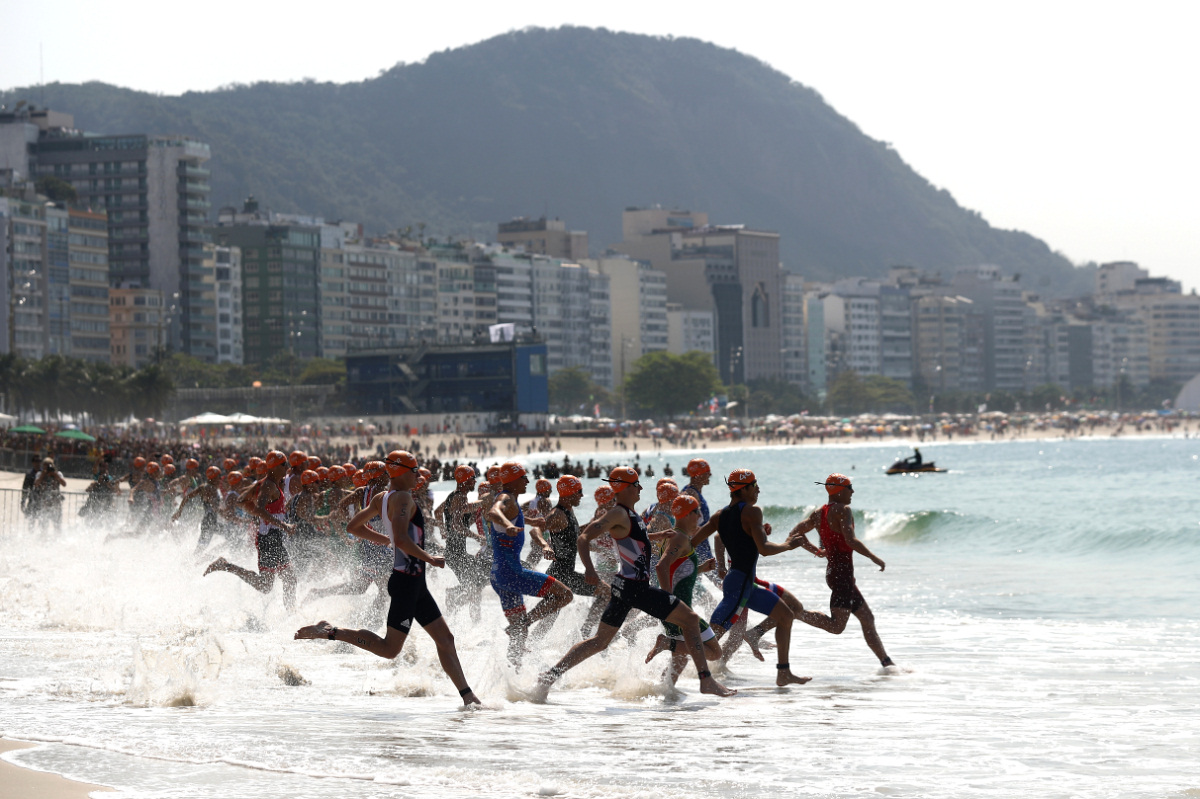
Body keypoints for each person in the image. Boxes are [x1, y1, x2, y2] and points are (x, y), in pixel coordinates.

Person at [294, 450, 481, 707]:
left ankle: (468, 698)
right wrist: (431, 559)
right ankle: (328, 631)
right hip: (407, 582)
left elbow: (354, 527)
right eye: (414, 470)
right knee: (389, 649)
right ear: (401, 471)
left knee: (445, 639)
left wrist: (389, 541)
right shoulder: (402, 498)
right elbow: (402, 539)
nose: (417, 474)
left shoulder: (383, 498)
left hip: (413, 583)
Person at [533, 467, 734, 701]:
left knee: (600, 641)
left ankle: (549, 676)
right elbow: (584, 537)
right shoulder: (618, 512)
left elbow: (631, 539)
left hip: (625, 586)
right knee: (689, 619)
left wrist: (656, 537)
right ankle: (705, 680)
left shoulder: (629, 513)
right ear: (626, 488)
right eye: (636, 485)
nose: (640, 488)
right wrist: (589, 569)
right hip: (634, 587)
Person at [692, 469, 812, 686]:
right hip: (738, 585)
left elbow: (693, 541)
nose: (758, 489)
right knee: (710, 638)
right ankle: (675, 660)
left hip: (745, 584)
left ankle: (783, 672)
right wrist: (789, 545)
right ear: (743, 488)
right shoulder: (752, 512)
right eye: (755, 485)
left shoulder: (720, 515)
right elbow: (764, 549)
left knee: (786, 615)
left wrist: (674, 551)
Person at [787, 474, 895, 668]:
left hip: (836, 573)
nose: (852, 491)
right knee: (837, 627)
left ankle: (887, 664)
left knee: (867, 618)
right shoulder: (843, 510)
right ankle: (793, 612)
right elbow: (850, 540)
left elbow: (795, 533)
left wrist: (817, 551)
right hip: (841, 575)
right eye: (849, 487)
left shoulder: (820, 512)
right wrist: (873, 557)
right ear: (838, 490)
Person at [486, 462, 573, 664]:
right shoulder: (505, 497)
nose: (527, 481)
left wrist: (531, 522)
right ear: (513, 480)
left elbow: (512, 514)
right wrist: (508, 525)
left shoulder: (513, 501)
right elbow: (493, 512)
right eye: (523, 477)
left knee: (518, 635)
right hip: (512, 573)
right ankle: (526, 623)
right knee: (565, 595)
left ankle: (512, 678)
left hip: (498, 575)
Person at [204, 450, 298, 611]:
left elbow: (242, 501)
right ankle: (225, 565)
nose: (287, 467)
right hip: (269, 538)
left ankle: (291, 613)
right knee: (269, 585)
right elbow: (259, 508)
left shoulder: (265, 483)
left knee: (286, 579)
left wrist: (259, 514)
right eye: (284, 464)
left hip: (271, 537)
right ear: (275, 466)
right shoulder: (267, 485)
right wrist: (283, 525)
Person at [645, 493, 722, 683]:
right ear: (687, 514)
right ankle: (666, 643)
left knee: (680, 660)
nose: (699, 516)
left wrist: (701, 568)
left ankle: (666, 697)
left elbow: (677, 572)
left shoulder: (678, 537)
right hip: (679, 611)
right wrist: (669, 600)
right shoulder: (679, 538)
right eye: (696, 512)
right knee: (714, 652)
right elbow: (661, 567)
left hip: (677, 610)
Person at [541, 475, 612, 636]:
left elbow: (574, 535)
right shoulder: (557, 514)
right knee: (606, 592)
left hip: (561, 573)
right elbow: (536, 530)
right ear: (569, 493)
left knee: (549, 619)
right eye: (579, 491)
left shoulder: (568, 512)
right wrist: (545, 545)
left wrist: (595, 523)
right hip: (561, 574)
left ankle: (526, 646)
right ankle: (586, 631)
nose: (581, 495)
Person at [434, 465, 489, 620]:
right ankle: (472, 622)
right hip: (455, 554)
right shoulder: (459, 497)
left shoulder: (454, 495)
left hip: (456, 553)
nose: (475, 481)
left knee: (476, 585)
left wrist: (443, 530)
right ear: (465, 480)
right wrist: (477, 537)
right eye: (472, 478)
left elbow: (438, 512)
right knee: (475, 588)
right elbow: (457, 525)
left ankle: (454, 597)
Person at [173, 465, 225, 556]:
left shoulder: (204, 487)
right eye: (219, 477)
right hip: (209, 522)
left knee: (201, 548)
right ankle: (198, 561)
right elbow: (214, 507)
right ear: (214, 478)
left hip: (208, 521)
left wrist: (179, 512)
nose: (220, 479)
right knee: (200, 549)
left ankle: (208, 558)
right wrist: (227, 515)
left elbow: (186, 497)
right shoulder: (210, 489)